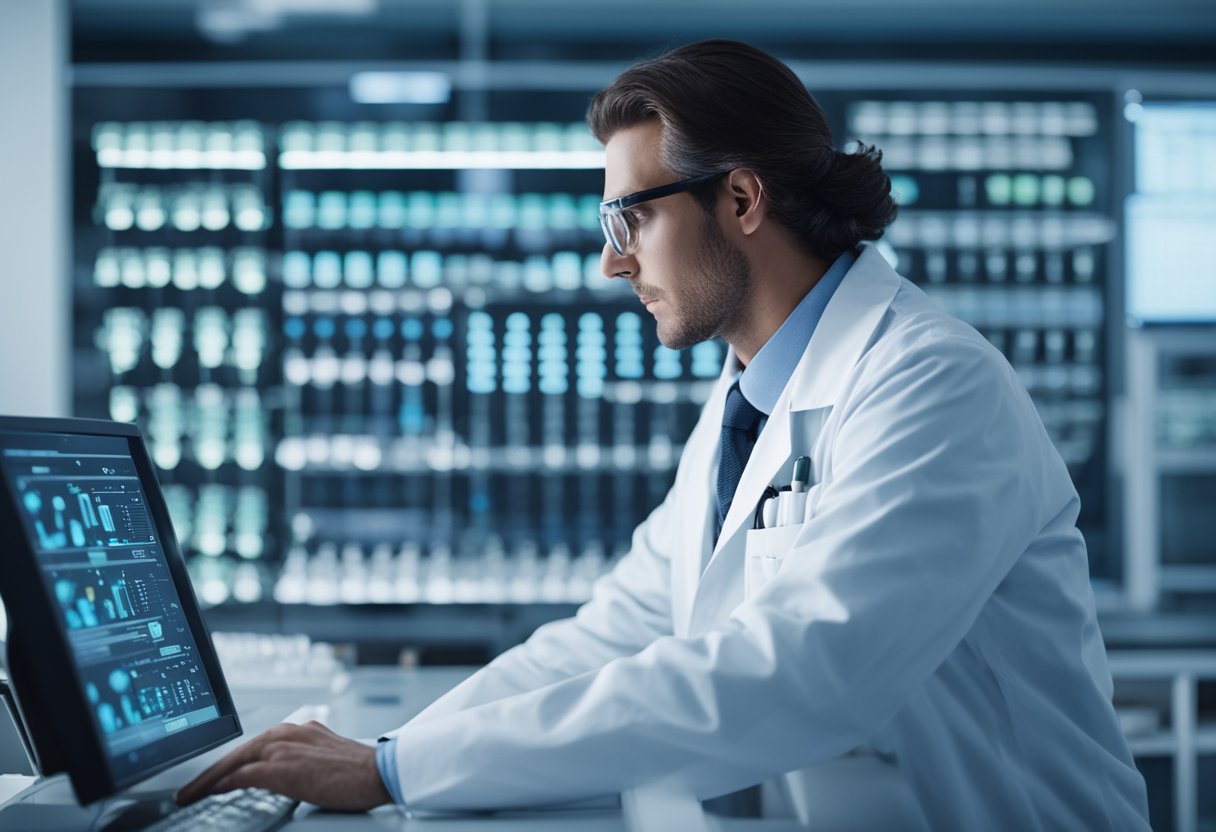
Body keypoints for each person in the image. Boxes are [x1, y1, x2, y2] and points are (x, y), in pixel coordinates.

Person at [178, 40, 1151, 829]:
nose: (612, 264)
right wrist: (396, 755)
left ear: (739, 199)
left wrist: (394, 766)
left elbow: (808, 669)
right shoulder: (749, 398)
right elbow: (621, 631)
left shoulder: (929, 382)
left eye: (628, 220)